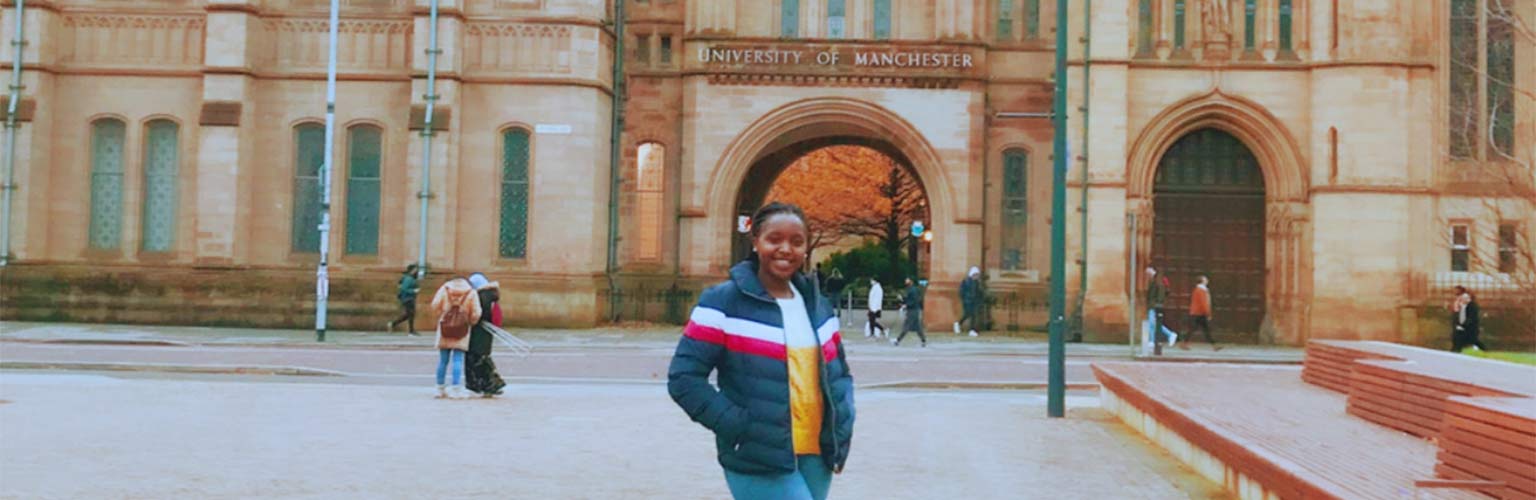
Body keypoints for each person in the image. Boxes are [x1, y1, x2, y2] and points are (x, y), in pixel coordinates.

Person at [668, 202, 855, 500]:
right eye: (774, 239)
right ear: (755, 242)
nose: (785, 249)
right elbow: (684, 378)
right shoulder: (724, 301)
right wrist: (738, 427)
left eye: (796, 241)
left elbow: (840, 374)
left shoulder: (817, 304)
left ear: (806, 248)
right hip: (758, 456)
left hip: (816, 453)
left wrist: (842, 427)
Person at [431, 277, 481, 399]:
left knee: (443, 360)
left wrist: (442, 315)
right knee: (458, 360)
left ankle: (439, 387)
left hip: (445, 327)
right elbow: (476, 313)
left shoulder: (445, 289)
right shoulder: (471, 292)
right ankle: (455, 388)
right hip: (462, 328)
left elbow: (434, 305)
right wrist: (470, 321)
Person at [465, 272, 507, 397]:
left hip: (479, 331)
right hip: (487, 332)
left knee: (476, 358)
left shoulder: (480, 296)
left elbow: (478, 314)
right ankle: (491, 383)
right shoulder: (491, 295)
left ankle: (485, 385)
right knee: (484, 357)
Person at [1182, 275, 1220, 351]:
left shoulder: (1198, 289)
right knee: (1202, 330)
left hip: (1197, 313)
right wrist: (1208, 313)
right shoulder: (1201, 290)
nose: (1207, 280)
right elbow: (1204, 303)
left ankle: (1214, 345)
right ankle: (1214, 345)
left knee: (1199, 330)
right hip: (1199, 313)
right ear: (1202, 281)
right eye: (1205, 279)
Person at [1145, 267, 1178, 351]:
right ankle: (1153, 340)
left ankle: (1168, 335)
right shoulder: (1154, 280)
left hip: (1154, 305)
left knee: (1152, 323)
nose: (1147, 275)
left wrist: (1157, 304)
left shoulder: (1158, 281)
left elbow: (1159, 294)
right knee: (1152, 323)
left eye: (1148, 272)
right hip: (1154, 305)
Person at [387, 264, 421, 335]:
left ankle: (393, 324)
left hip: (409, 298)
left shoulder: (409, 278)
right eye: (415, 270)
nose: (416, 271)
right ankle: (410, 331)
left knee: (409, 315)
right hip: (408, 299)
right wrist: (414, 291)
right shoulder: (409, 279)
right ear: (411, 271)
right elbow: (404, 288)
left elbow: (400, 285)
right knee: (410, 315)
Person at [1450, 286, 1486, 352]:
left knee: (1473, 340)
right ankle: (1454, 352)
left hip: (1470, 328)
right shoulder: (1461, 305)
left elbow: (1472, 318)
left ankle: (1485, 350)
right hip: (1461, 328)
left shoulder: (1472, 306)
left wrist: (1463, 325)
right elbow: (1457, 316)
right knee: (1457, 342)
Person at [894, 278, 927, 347]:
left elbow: (913, 300)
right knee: (918, 328)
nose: (906, 283)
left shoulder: (912, 290)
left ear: (911, 282)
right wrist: (902, 299)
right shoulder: (912, 289)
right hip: (914, 310)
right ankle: (923, 341)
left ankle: (898, 340)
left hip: (912, 310)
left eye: (907, 281)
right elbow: (909, 299)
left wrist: (906, 305)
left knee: (906, 326)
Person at [954, 266, 983, 337]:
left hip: (974, 301)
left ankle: (972, 330)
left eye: (977, 275)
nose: (976, 276)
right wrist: (964, 298)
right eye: (975, 275)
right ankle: (958, 323)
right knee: (967, 314)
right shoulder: (966, 281)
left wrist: (978, 299)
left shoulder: (977, 283)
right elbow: (961, 291)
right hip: (967, 301)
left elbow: (978, 292)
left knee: (973, 315)